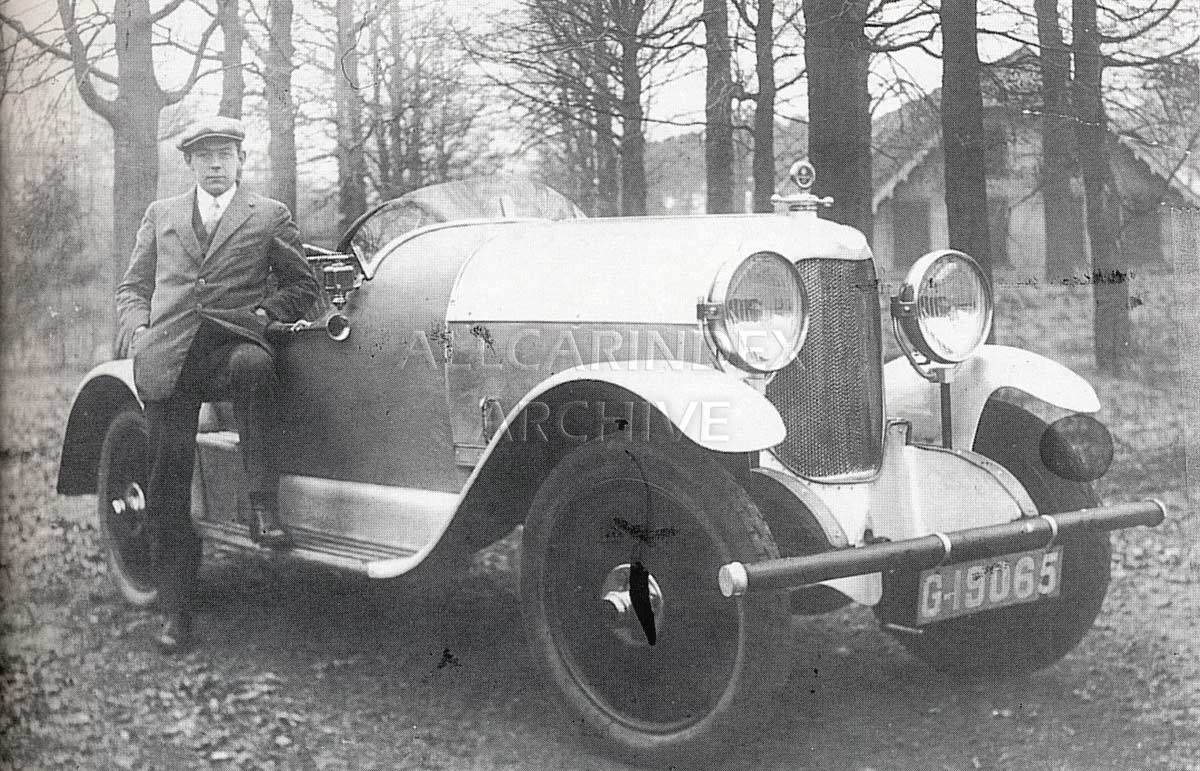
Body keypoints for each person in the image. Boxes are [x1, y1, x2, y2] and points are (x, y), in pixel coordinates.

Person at [116, 116, 320, 653]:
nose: (214, 164)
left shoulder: (268, 214)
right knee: (167, 478)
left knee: (254, 366)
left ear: (240, 160)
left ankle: (262, 505)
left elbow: (303, 285)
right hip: (171, 354)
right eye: (204, 155)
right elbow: (132, 286)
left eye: (224, 154)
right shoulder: (161, 215)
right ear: (189, 163)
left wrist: (265, 313)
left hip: (232, 344)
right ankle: (176, 612)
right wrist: (139, 329)